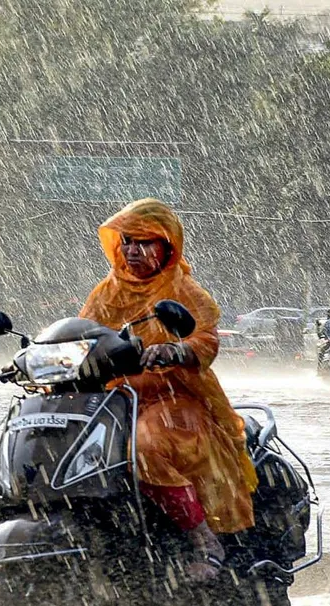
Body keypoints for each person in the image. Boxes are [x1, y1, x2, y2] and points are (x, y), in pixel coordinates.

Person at [80, 198, 259, 582]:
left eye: (145, 242)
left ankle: (204, 541)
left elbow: (206, 341)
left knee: (143, 449)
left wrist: (177, 349)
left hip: (175, 397)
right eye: (127, 241)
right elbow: (82, 336)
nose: (134, 250)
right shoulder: (105, 293)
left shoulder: (184, 291)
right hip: (116, 400)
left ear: (168, 247)